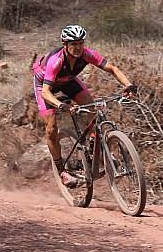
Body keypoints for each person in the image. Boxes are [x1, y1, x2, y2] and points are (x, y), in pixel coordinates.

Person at [31, 24, 138, 187]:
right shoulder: (56, 61)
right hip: (45, 85)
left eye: (81, 43)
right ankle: (62, 172)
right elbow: (46, 92)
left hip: (67, 81)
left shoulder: (87, 54)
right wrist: (61, 105)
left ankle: (97, 151)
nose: (78, 47)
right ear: (64, 44)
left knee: (93, 109)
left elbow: (113, 69)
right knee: (51, 128)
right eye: (73, 44)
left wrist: (128, 85)